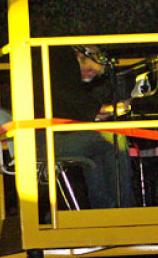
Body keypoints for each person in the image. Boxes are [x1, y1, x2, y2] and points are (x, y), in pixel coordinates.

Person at [33, 45, 135, 210]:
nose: (87, 75)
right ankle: (124, 208)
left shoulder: (50, 62)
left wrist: (97, 113)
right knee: (116, 139)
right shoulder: (61, 59)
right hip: (45, 139)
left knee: (96, 145)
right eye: (88, 70)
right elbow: (68, 95)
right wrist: (109, 109)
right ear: (81, 54)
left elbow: (66, 102)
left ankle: (105, 210)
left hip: (44, 136)